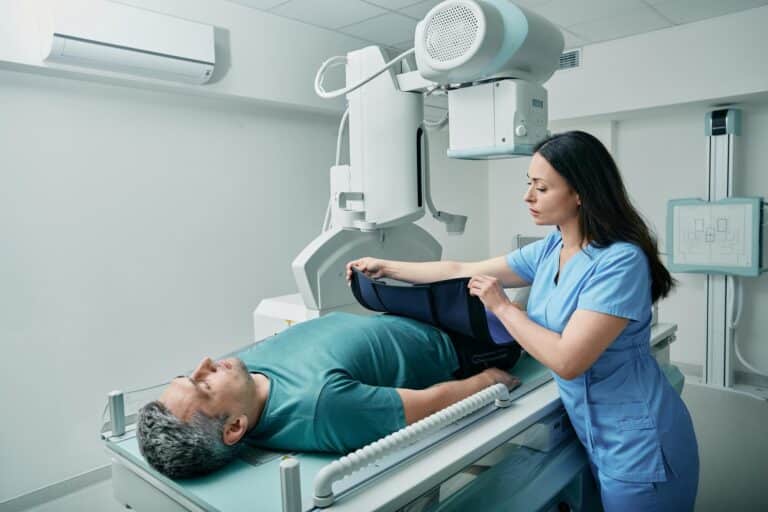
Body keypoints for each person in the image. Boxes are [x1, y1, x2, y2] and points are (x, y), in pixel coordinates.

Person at [347, 131, 699, 511]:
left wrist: (503, 307)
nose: (528, 196)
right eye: (529, 183)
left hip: (640, 444)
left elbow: (568, 360)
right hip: (596, 434)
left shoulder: (620, 261)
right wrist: (387, 267)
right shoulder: (553, 246)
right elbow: (461, 268)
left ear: (580, 192)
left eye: (542, 187)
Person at [137, 312, 519, 479]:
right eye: (202, 385)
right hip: (465, 341)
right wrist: (486, 381)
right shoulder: (320, 408)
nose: (206, 364)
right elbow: (429, 406)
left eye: (191, 374)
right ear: (235, 427)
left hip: (404, 313)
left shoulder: (243, 374)